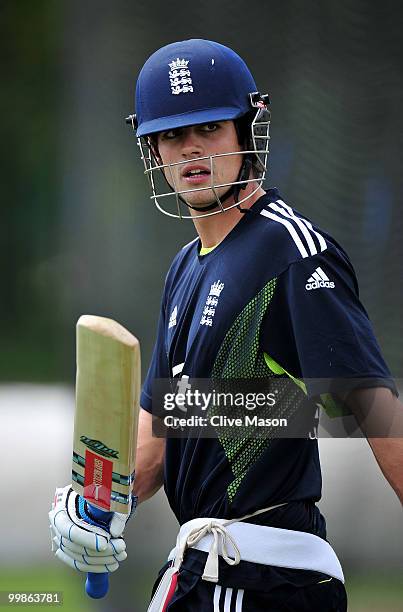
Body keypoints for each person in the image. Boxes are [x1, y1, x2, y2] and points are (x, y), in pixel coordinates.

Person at [49, 39, 402, 611]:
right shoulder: (183, 269)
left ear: (246, 131)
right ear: (153, 151)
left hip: (266, 578)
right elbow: (157, 444)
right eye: (171, 135)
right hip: (201, 573)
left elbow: (376, 410)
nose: (191, 150)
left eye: (209, 129)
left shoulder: (293, 253)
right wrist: (97, 503)